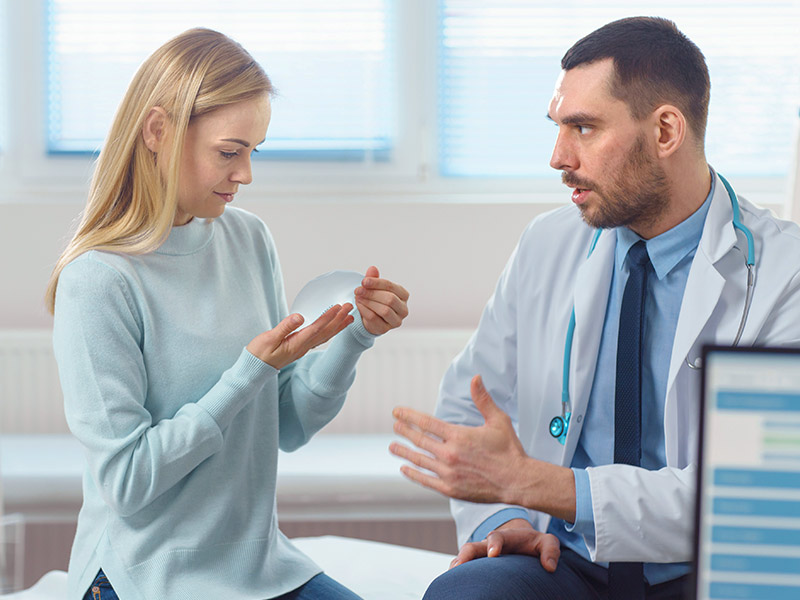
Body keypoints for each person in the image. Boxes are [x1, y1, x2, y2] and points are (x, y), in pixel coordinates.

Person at [390, 16, 800, 600]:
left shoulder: (784, 274)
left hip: (710, 572)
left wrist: (542, 485)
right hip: (567, 562)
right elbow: (472, 400)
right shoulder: (548, 242)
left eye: (583, 128)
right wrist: (501, 518)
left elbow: (749, 499)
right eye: (559, 127)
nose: (558, 157)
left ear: (665, 131)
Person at [45, 28, 409, 600]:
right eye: (229, 152)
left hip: (258, 564)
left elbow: (286, 426)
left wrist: (352, 339)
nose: (246, 175)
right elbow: (128, 481)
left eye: (252, 152)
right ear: (158, 131)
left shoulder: (248, 239)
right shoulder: (98, 279)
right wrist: (246, 375)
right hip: (143, 576)